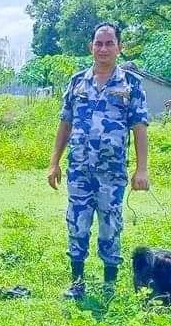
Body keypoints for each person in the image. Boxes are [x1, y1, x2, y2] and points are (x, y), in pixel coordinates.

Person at [47, 22, 150, 300]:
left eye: (109, 43)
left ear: (119, 47)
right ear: (91, 46)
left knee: (110, 226)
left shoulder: (131, 85)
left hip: (111, 173)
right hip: (79, 171)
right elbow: (65, 123)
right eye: (98, 43)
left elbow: (139, 127)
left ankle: (109, 286)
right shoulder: (77, 82)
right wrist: (54, 162)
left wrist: (142, 169)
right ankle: (77, 282)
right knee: (77, 224)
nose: (103, 49)